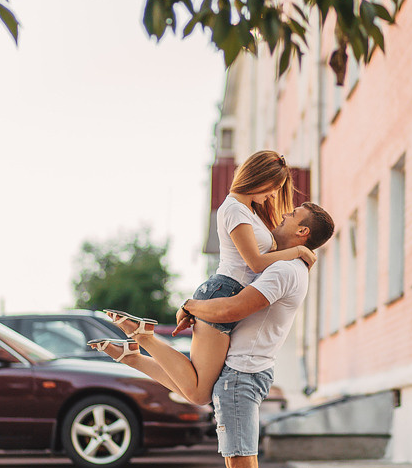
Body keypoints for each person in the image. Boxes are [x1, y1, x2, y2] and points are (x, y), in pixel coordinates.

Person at [94, 200, 335, 468]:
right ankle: (138, 349)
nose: (283, 217)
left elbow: (235, 307)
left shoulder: (285, 271)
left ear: (304, 233)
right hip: (241, 369)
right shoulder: (287, 264)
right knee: (207, 412)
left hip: (242, 373)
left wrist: (191, 305)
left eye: (291, 218)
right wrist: (202, 308)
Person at [90, 151, 316, 405]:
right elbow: (255, 262)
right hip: (222, 292)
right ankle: (143, 339)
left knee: (198, 391)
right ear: (259, 178)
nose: (273, 195)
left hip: (227, 292)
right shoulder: (233, 209)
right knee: (199, 393)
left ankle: (133, 354)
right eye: (273, 188)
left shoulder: (249, 210)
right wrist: (297, 251)